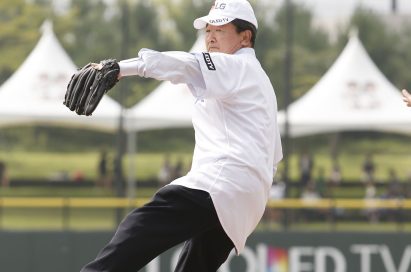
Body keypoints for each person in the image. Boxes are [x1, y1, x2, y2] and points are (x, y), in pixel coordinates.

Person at [80, 1, 283, 271]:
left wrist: (120, 68)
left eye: (220, 29)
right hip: (246, 201)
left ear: (245, 37)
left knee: (141, 224)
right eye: (208, 29)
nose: (210, 36)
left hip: (222, 180)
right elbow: (275, 154)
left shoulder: (236, 66)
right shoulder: (261, 82)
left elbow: (185, 64)